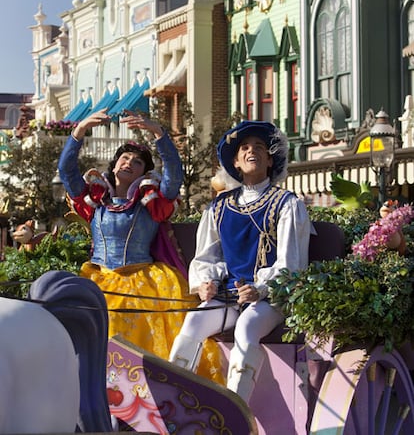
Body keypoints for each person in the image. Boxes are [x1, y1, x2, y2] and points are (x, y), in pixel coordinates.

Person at [58, 108, 224, 384]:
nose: (129, 163)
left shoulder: (151, 201)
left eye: (137, 162)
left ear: (143, 173)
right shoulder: (95, 199)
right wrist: (80, 129)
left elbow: (174, 177)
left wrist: (159, 133)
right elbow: (66, 170)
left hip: (142, 282)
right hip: (98, 279)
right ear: (113, 165)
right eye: (124, 158)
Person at [169, 120, 311, 402]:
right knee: (193, 323)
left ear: (270, 160)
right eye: (244, 148)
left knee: (246, 329)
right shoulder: (219, 207)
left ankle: (235, 412)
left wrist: (262, 289)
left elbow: (292, 262)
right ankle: (171, 402)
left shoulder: (287, 204)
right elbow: (207, 255)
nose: (251, 151)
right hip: (228, 295)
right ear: (235, 162)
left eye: (259, 147)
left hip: (271, 299)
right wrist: (204, 283)